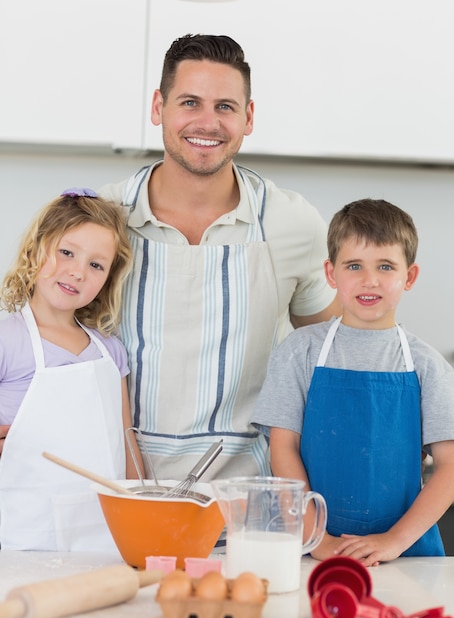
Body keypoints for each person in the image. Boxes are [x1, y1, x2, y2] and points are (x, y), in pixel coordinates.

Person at [98, 33, 339, 480]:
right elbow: (51, 341)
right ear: (158, 107)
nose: (207, 123)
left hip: (250, 503)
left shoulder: (292, 222)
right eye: (190, 102)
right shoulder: (101, 220)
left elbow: (334, 353)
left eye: (225, 106)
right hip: (118, 490)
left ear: (248, 117)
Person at [252, 198, 454, 565]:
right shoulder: (300, 352)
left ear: (409, 277)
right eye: (354, 265)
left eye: (386, 266)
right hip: (312, 550)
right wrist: (317, 538)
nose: (369, 280)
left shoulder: (428, 366)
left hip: (407, 555)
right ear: (331, 274)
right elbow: (282, 449)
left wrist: (393, 541)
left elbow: (451, 466)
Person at [0, 188, 144, 552]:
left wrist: (145, 507)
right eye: (67, 252)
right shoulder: (7, 337)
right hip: (25, 534)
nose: (78, 272)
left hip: (105, 534)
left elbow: (127, 446)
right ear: (36, 248)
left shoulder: (110, 351)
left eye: (96, 265)